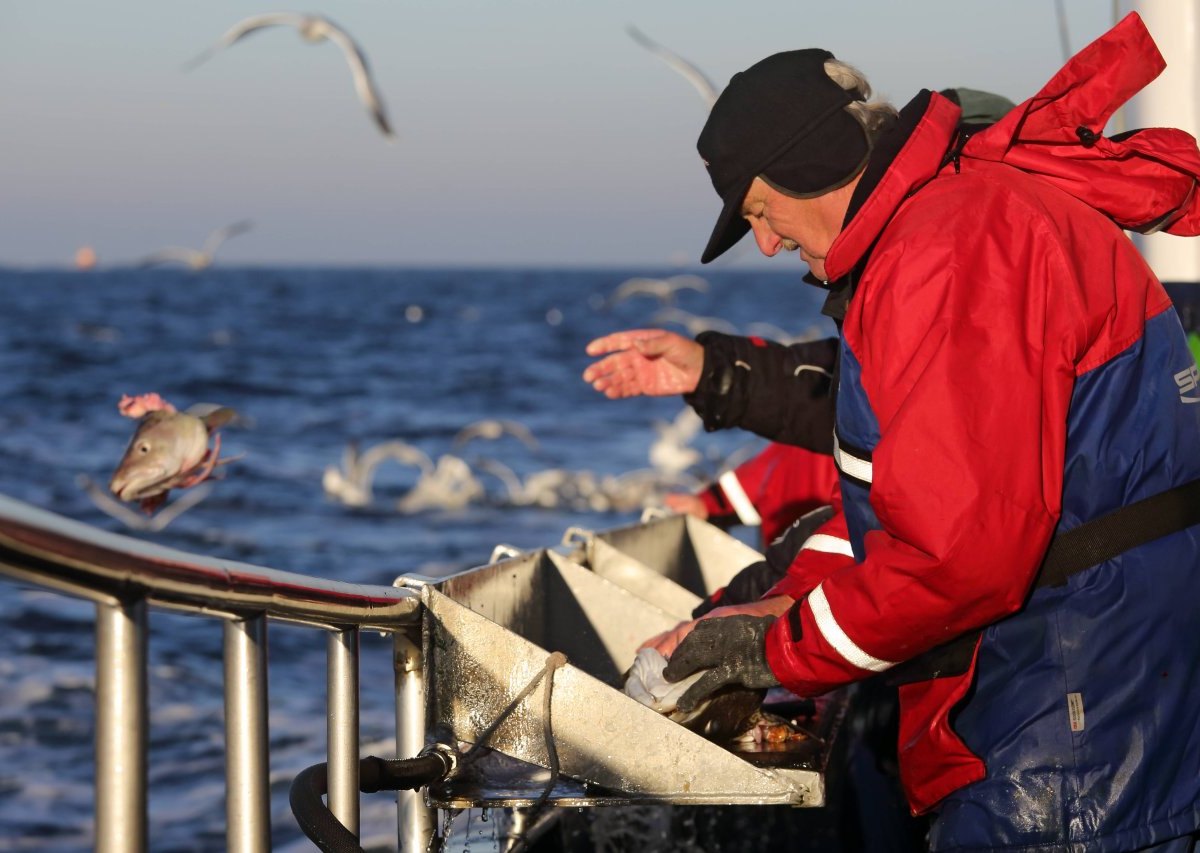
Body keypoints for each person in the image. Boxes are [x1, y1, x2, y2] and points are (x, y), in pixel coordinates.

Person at [585, 13, 1200, 852]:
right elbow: (920, 487)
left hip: (1069, 726)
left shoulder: (948, 250)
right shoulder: (961, 217)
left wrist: (773, 647)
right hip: (1105, 677)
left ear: (814, 166)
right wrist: (775, 609)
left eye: (763, 210)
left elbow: (961, 554)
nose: (765, 242)